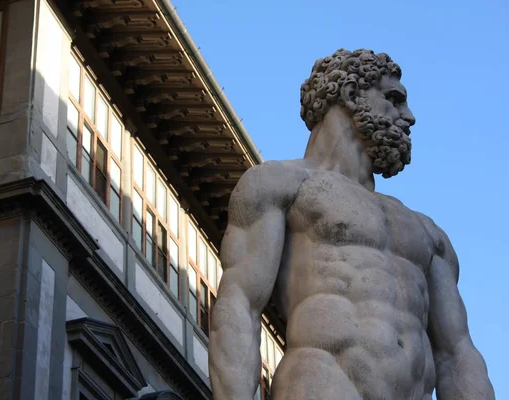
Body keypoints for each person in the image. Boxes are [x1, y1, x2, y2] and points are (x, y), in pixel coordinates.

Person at [208, 49, 495, 400]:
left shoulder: (428, 233)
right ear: (350, 93)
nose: (409, 117)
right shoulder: (282, 185)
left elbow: (457, 354)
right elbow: (240, 303)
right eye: (393, 99)